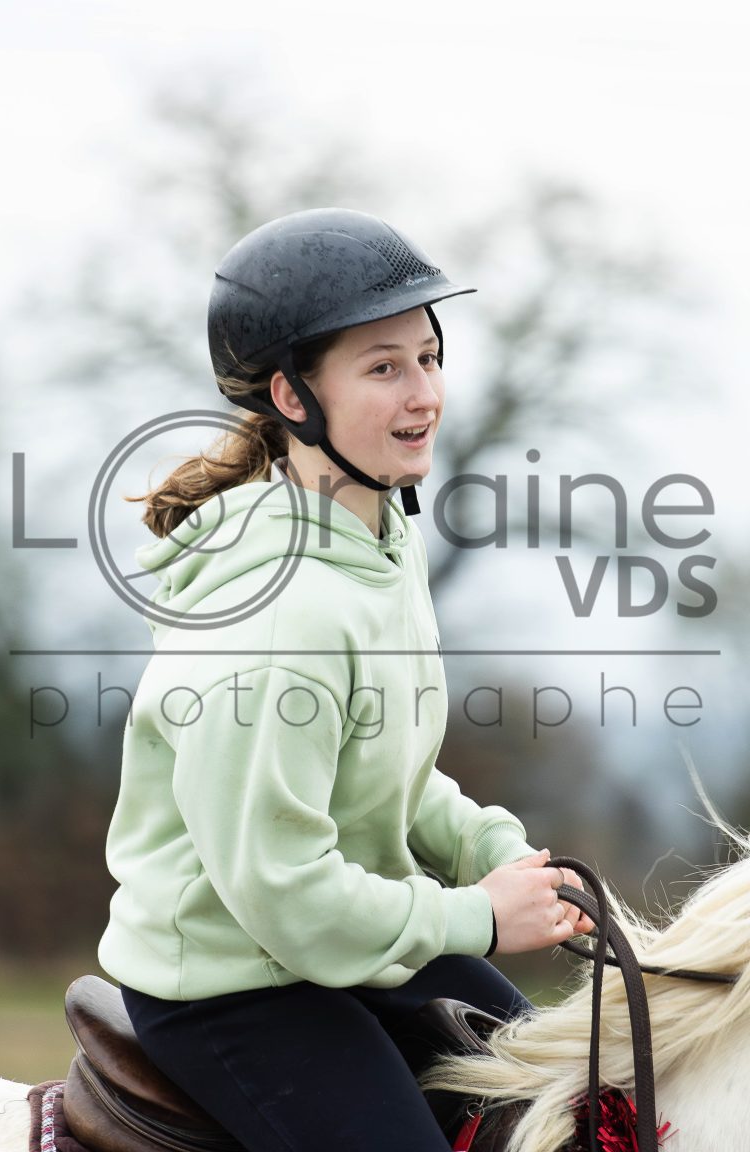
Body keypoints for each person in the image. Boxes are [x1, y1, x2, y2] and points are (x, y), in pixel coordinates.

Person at [98, 208, 593, 1152]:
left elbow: (382, 772)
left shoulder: (378, 541)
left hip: (348, 936)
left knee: (575, 1104)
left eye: (429, 357)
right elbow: (281, 891)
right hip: (235, 983)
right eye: (383, 368)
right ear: (293, 396)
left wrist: (496, 850)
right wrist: (479, 916)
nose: (425, 393)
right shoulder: (280, 620)